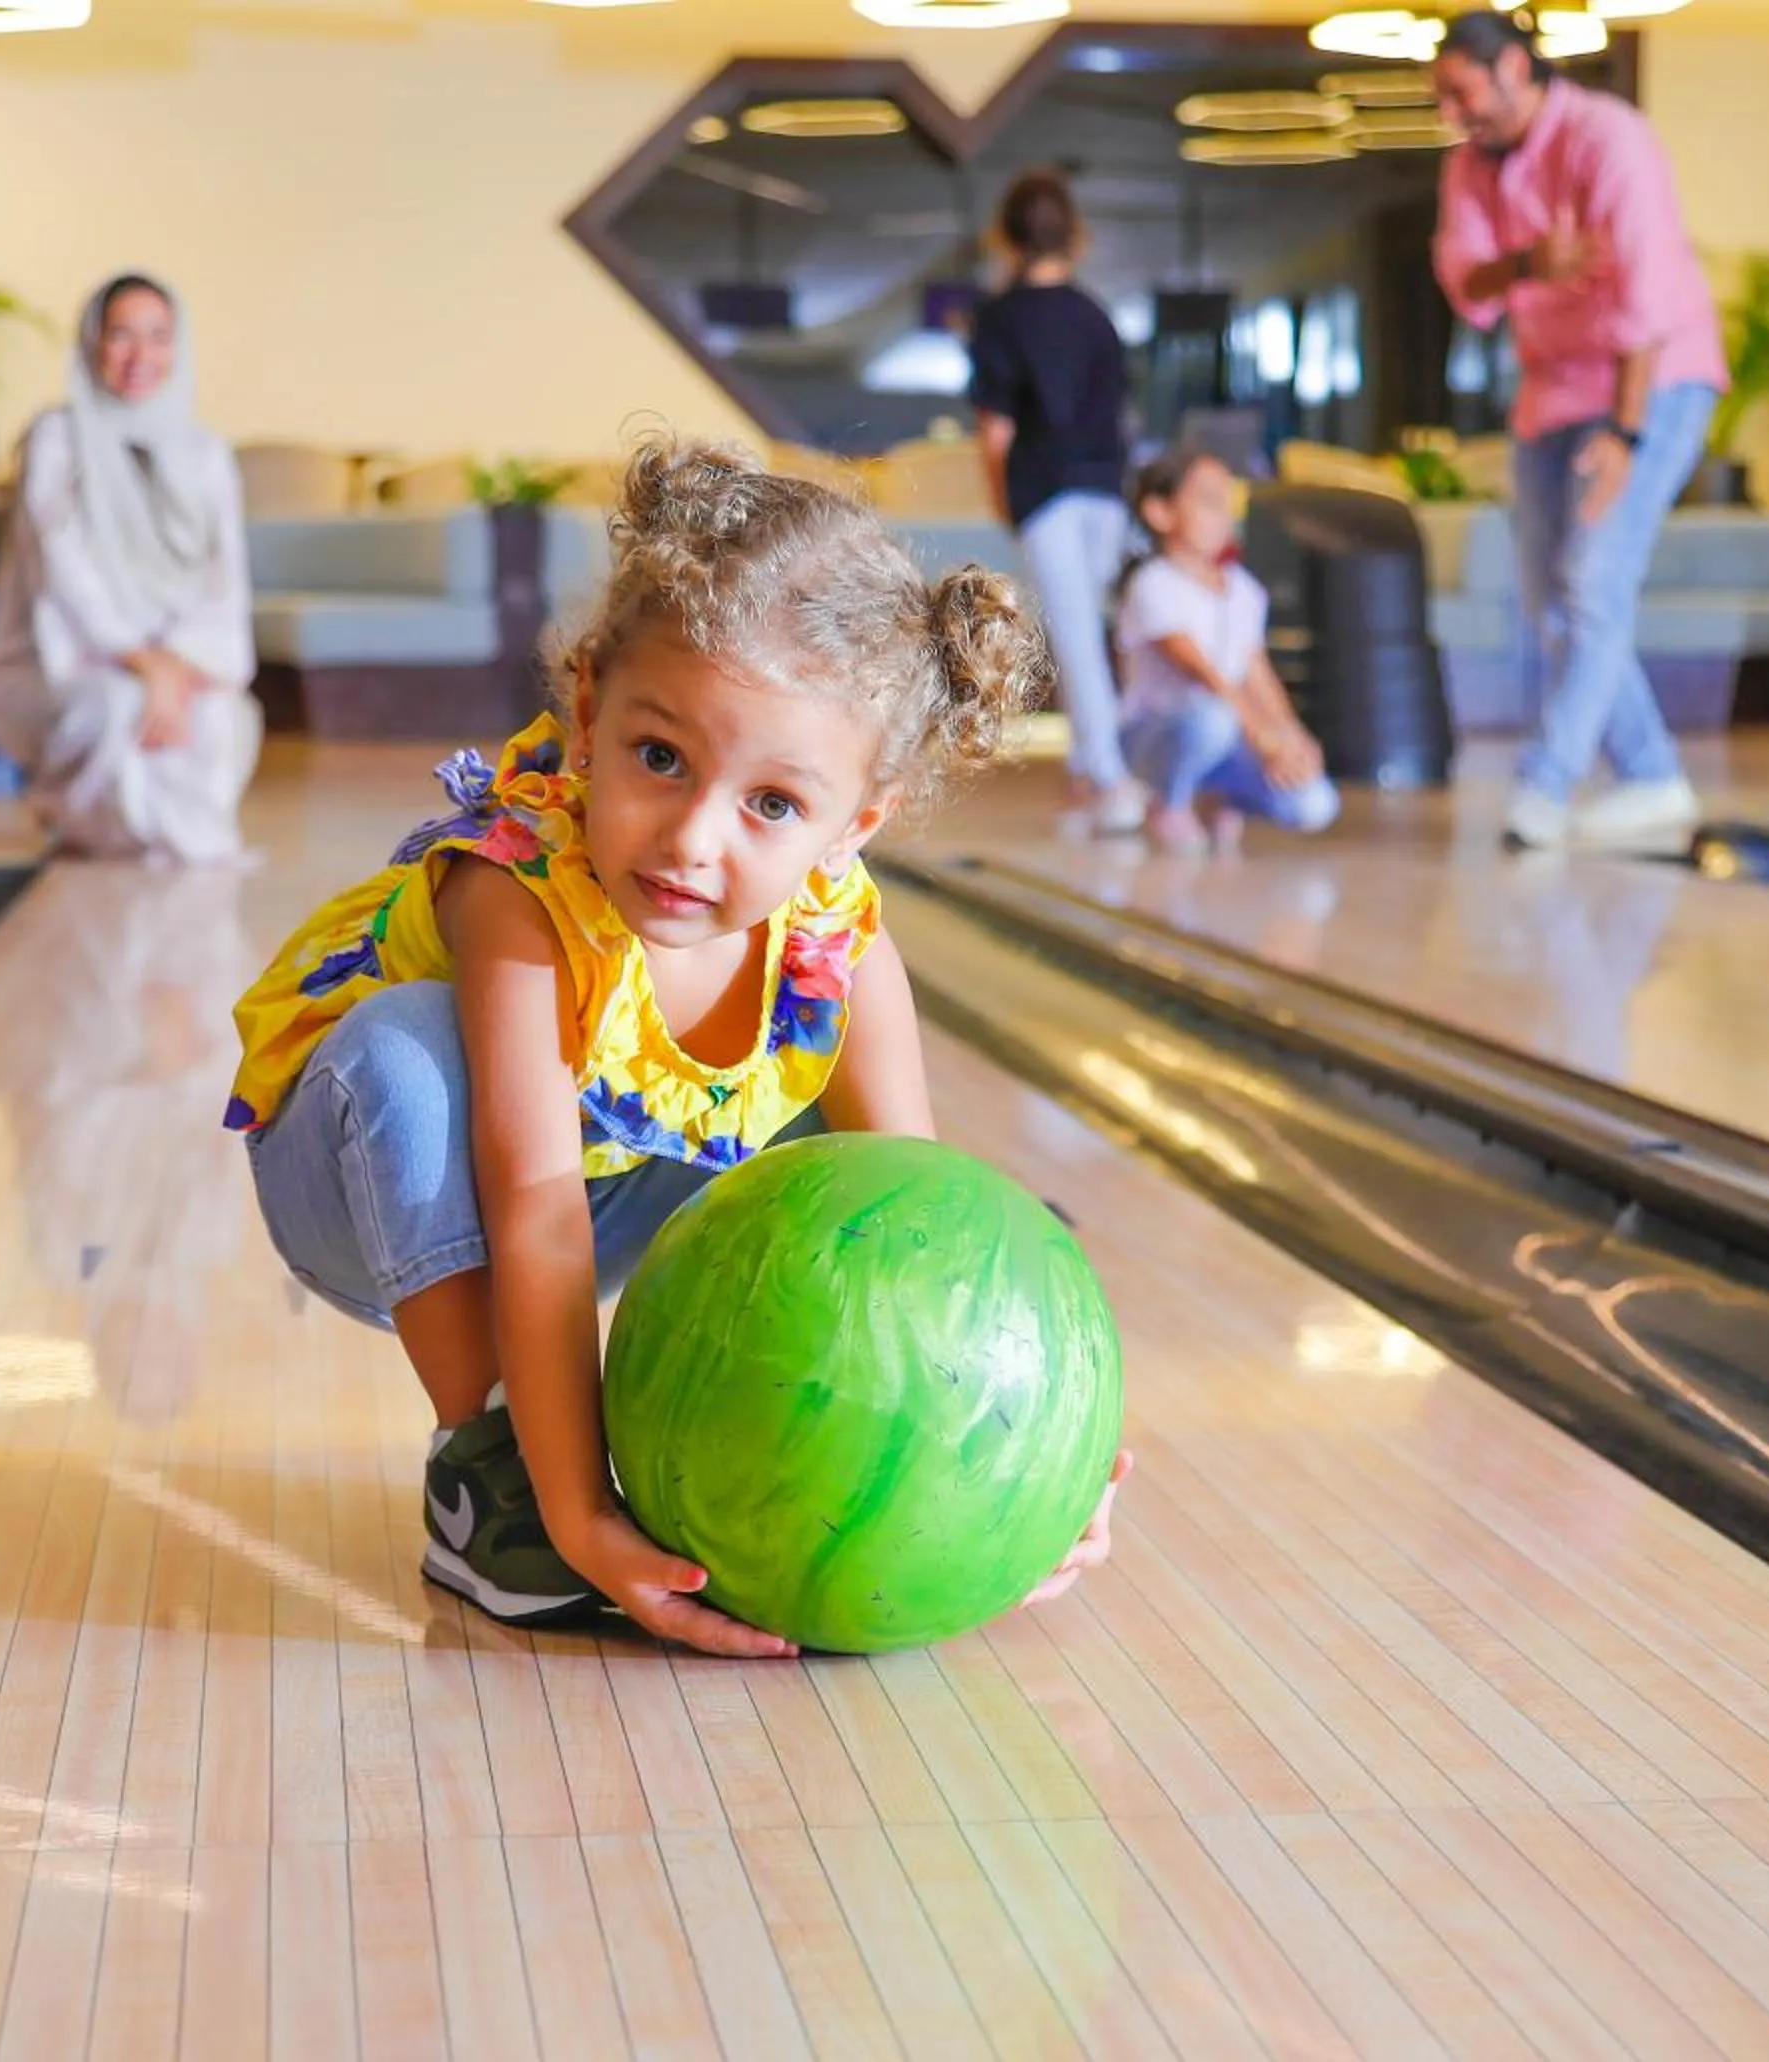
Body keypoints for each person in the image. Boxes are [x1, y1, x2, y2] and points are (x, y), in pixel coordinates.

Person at [223, 438, 1132, 1657]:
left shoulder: (838, 947)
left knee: (934, 1203)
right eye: (661, 758)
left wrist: (1025, 1472)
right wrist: (580, 1507)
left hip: (617, 1186)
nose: (692, 837)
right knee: (405, 1048)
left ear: (850, 826)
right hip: (381, 1192)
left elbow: (915, 1243)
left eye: (771, 804)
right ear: (588, 709)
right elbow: (534, 1207)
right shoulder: (519, 896)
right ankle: (481, 1470)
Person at [1430, 9, 1727, 852]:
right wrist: (1531, 264)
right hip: (1553, 391)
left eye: (1462, 93)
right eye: (1443, 99)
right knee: (1548, 605)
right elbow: (1467, 284)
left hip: (1653, 383)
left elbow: (1646, 299)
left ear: (1516, 69)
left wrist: (1626, 438)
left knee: (1594, 584)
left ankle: (1545, 786)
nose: (1454, 114)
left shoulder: (1610, 141)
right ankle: (1652, 776)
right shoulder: (1468, 168)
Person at [0, 273, 259, 865]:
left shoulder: (206, 456)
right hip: (73, 652)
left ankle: (179, 857)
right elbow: (61, 570)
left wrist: (177, 666)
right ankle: (107, 840)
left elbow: (224, 582)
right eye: (121, 336)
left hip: (180, 657)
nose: (141, 356)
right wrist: (142, 662)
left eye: (158, 337)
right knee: (117, 704)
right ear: (91, 344)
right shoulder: (55, 440)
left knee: (217, 715)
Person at [967, 169, 1144, 839]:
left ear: (1004, 238)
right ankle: (1086, 772)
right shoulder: (1097, 316)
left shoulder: (1000, 320)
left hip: (1045, 492)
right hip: (1105, 491)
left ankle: (1112, 778)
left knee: (1074, 638)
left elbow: (997, 431)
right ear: (1075, 236)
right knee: (1087, 632)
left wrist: (1003, 501)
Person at [1116, 449, 1340, 855]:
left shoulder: (1244, 590)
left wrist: (1292, 737)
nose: (1223, 515)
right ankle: (1168, 802)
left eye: (1227, 502)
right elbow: (1208, 676)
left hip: (1229, 731)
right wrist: (1265, 740)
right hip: (1158, 735)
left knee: (1314, 804)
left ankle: (1219, 799)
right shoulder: (1153, 585)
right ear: (1160, 512)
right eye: (1208, 501)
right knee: (1212, 720)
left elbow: (1257, 672)